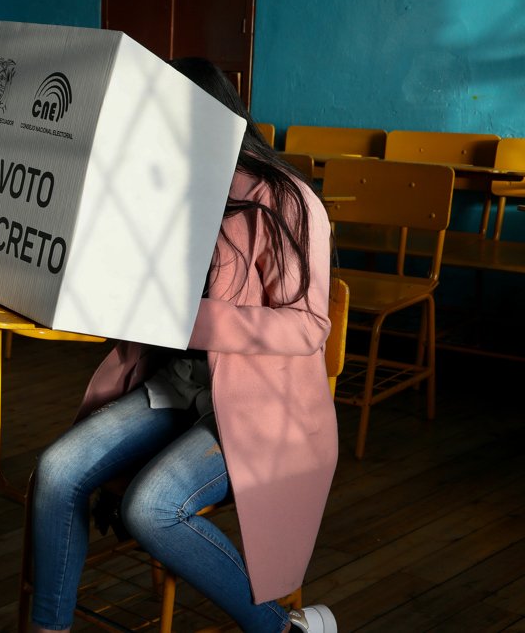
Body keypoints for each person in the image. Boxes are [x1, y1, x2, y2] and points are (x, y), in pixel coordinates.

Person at [28, 57, 339, 633]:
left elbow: (308, 326)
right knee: (56, 469)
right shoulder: (165, 185)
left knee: (150, 507)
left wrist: (188, 318)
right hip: (178, 387)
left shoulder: (285, 198)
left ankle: (281, 628)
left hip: (257, 406)